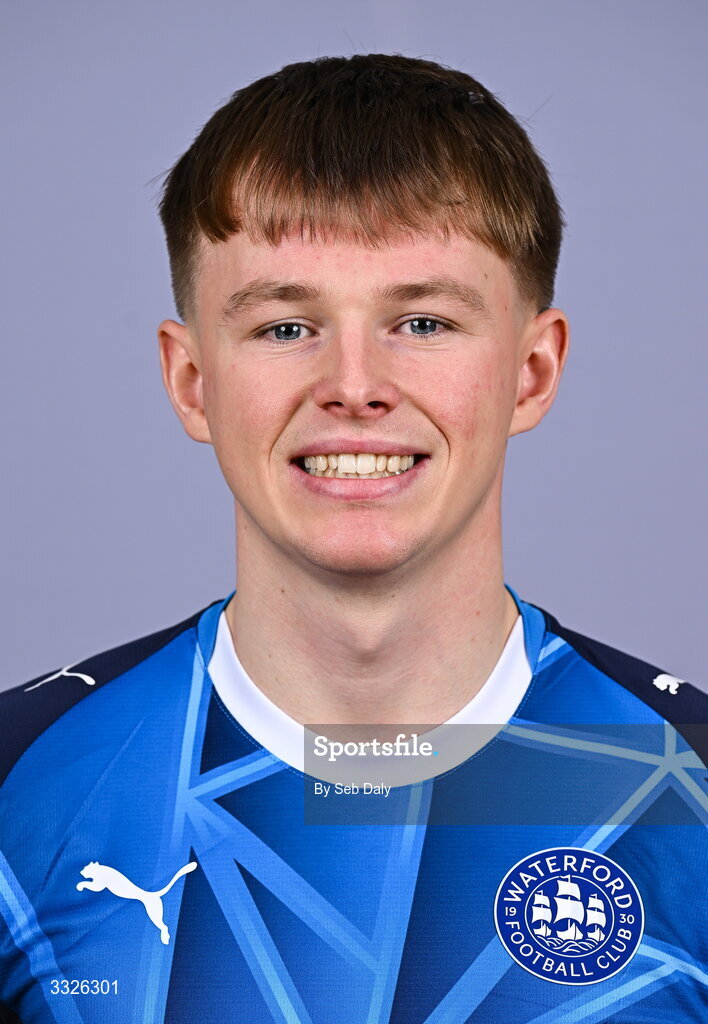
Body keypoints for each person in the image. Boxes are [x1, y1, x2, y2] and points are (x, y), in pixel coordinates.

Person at [0, 53, 705, 1024]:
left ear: (533, 372)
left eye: (422, 320)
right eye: (286, 327)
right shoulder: (20, 788)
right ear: (192, 380)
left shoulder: (692, 783)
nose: (355, 384)